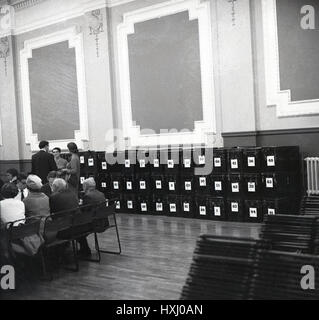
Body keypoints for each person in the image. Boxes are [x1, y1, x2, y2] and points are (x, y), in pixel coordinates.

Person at [79, 177, 108, 256]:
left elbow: (83, 212)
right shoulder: (101, 193)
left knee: (76, 230)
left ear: (86, 186)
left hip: (94, 224)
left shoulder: (87, 196)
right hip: (104, 222)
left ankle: (85, 250)